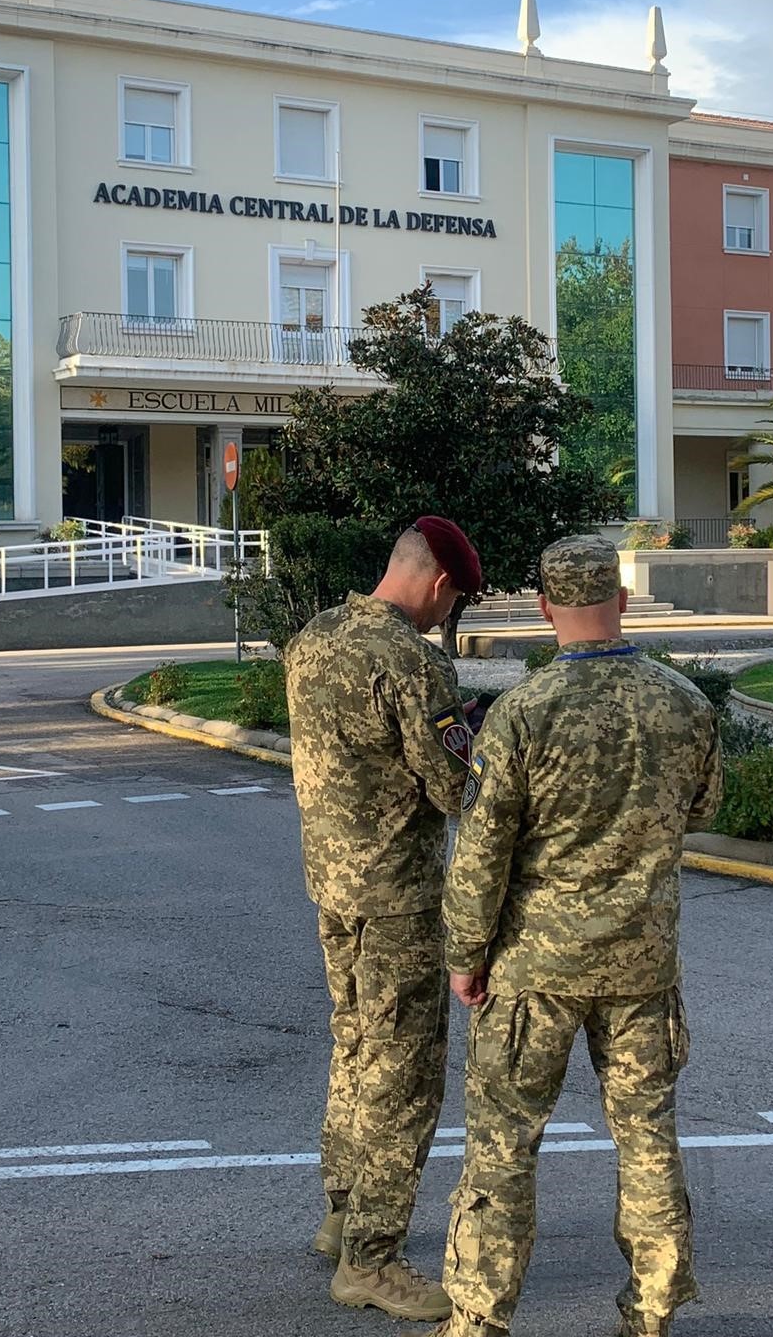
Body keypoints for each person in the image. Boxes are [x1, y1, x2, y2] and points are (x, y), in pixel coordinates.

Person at [438, 534, 721, 1337]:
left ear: (545, 608)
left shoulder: (524, 713)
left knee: (502, 1145)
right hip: (642, 965)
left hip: (535, 967)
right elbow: (701, 810)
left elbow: (482, 852)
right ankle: (655, 1308)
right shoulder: (684, 702)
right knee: (646, 1137)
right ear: (622, 602)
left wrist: (465, 957)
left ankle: (479, 1319)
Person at [284, 516, 482, 1323]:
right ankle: (372, 1259)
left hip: (331, 886)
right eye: (455, 602)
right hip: (399, 896)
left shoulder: (314, 636)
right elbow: (454, 788)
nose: (447, 616)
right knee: (404, 1077)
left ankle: (342, 1211)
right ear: (439, 585)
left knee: (356, 1045)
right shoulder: (412, 661)